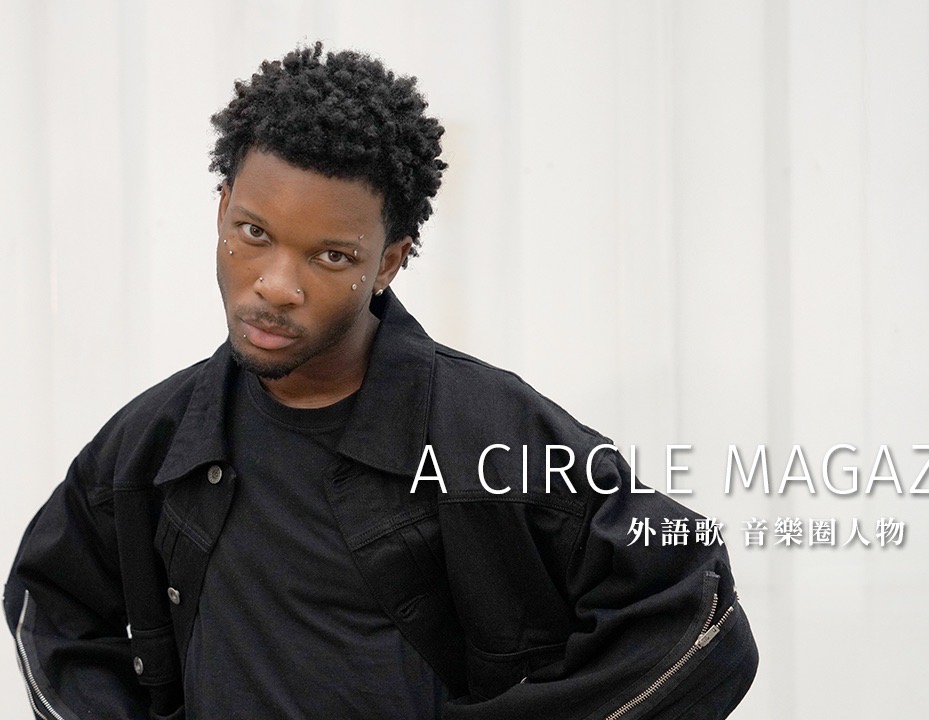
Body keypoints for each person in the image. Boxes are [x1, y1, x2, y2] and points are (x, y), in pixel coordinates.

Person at [4, 42, 757, 719]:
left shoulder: (487, 435)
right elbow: (52, 605)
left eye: (330, 256)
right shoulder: (154, 444)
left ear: (389, 262)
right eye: (254, 233)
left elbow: (696, 612)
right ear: (223, 210)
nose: (276, 285)